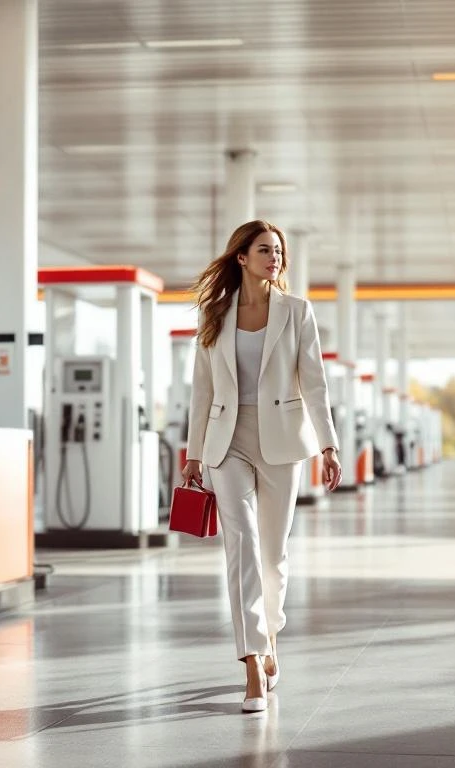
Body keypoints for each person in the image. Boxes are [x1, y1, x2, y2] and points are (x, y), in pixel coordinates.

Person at [183, 220, 343, 713]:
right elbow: (202, 390)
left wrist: (328, 445)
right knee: (242, 546)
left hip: (282, 440)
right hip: (225, 441)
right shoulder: (215, 314)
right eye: (264, 250)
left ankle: (269, 634)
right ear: (242, 258)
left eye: (278, 251)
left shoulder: (297, 311)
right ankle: (252, 660)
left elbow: (313, 383)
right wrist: (192, 455)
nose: (274, 258)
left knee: (272, 555)